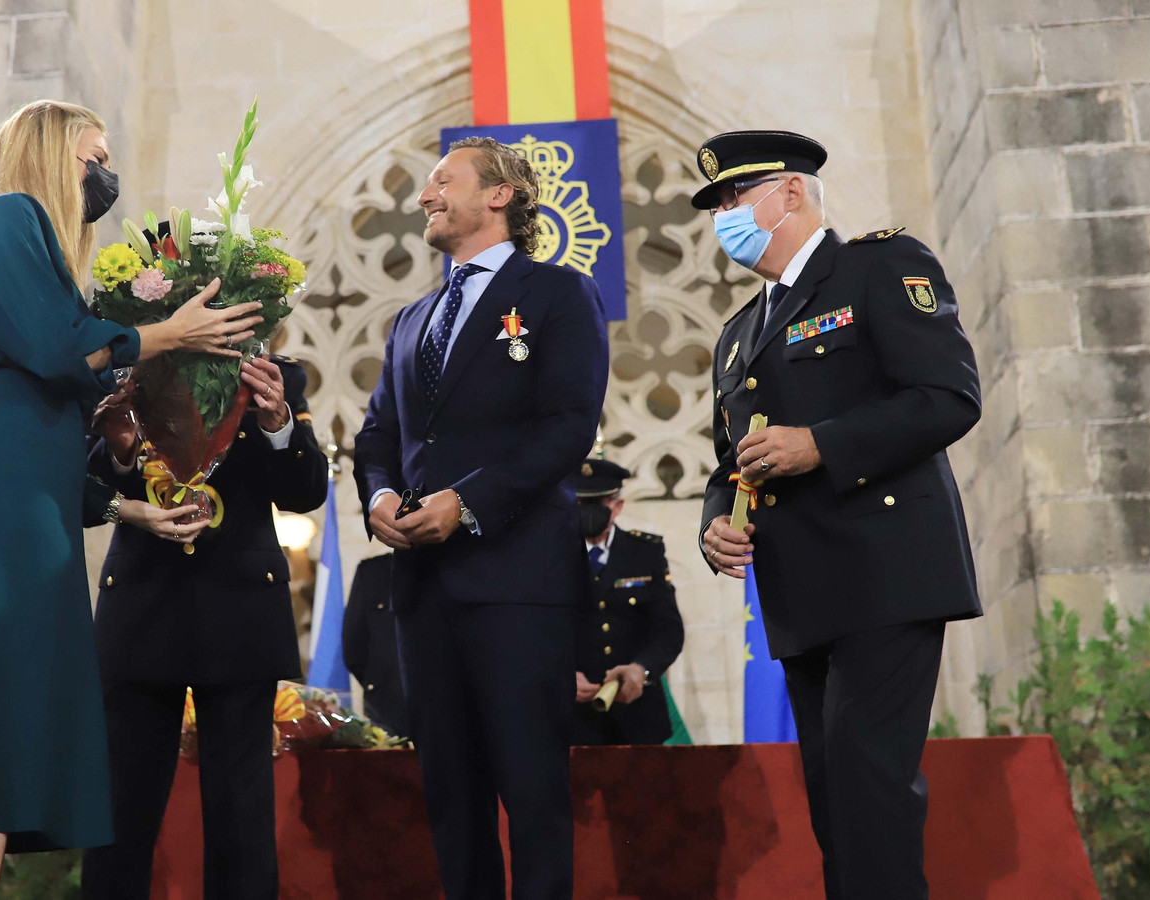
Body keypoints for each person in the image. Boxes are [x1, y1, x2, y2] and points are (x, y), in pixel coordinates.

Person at [0, 100, 262, 900]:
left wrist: (130, 509)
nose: (104, 174)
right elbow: (63, 350)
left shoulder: (30, 245)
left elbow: (51, 411)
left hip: (20, 486)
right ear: (52, 156)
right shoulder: (7, 216)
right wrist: (171, 334)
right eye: (93, 156)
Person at [693, 130, 983, 900]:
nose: (722, 215)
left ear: (790, 192)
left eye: (732, 198)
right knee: (833, 799)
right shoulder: (734, 338)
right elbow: (730, 462)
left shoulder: (878, 266)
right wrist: (715, 525)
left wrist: (822, 445)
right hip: (800, 592)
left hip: (886, 570)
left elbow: (948, 397)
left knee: (870, 788)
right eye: (716, 204)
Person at [353, 136, 609, 900]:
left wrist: (466, 504)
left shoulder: (558, 293)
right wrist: (379, 499)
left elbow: (568, 426)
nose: (425, 196)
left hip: (517, 583)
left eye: (442, 180)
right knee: (451, 803)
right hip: (422, 592)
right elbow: (377, 437)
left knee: (531, 796)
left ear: (499, 194)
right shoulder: (411, 320)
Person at [80, 353, 328, 900]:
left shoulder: (273, 374)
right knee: (119, 818)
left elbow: (305, 492)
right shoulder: (129, 371)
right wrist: (122, 451)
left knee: (242, 824)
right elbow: (84, 491)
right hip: (142, 609)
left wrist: (277, 423)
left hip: (239, 612)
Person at [567, 458, 685, 746]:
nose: (591, 512)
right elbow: (533, 633)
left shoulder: (646, 552)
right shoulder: (548, 559)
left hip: (639, 716)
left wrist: (641, 670)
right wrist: (557, 676)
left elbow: (668, 631)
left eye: (601, 502)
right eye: (583, 503)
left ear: (618, 505)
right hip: (572, 720)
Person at [341, 552, 408, 737]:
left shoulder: (458, 565)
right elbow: (354, 648)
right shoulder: (372, 572)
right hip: (388, 712)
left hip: (451, 705)